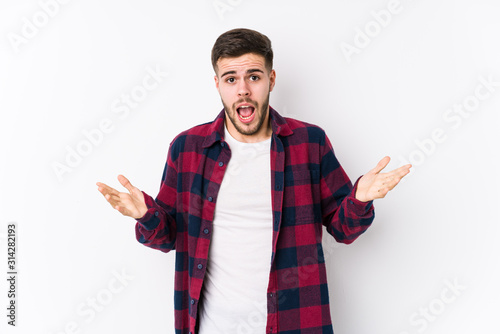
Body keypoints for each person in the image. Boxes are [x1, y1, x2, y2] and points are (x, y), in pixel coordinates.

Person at [97, 28, 411, 334]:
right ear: (217, 84)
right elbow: (169, 238)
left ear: (271, 80)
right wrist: (145, 215)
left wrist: (359, 200)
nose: (243, 90)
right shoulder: (187, 148)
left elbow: (343, 230)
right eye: (231, 79)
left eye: (254, 76)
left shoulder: (309, 143)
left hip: (296, 322)